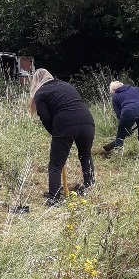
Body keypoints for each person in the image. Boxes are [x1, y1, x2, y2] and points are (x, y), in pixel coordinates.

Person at [29, 69, 95, 204]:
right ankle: (90, 187)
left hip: (65, 124)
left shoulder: (40, 93)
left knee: (55, 164)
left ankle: (54, 197)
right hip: (88, 122)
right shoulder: (65, 85)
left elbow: (45, 118)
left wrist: (55, 134)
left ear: (35, 82)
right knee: (85, 156)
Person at [102, 81, 139, 154]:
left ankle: (118, 154)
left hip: (128, 111)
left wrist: (126, 129)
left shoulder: (115, 97)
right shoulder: (135, 89)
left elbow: (119, 114)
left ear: (114, 90)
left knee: (120, 135)